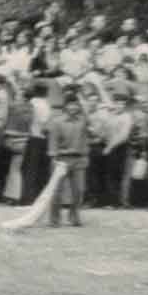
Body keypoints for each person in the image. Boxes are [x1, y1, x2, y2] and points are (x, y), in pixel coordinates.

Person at [46, 93, 89, 227]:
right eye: (70, 104)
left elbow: (85, 140)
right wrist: (53, 158)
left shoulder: (82, 121)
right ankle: (54, 219)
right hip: (61, 159)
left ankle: (74, 217)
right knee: (57, 190)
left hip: (78, 159)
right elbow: (52, 141)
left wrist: (85, 156)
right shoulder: (57, 121)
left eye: (75, 105)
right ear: (65, 106)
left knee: (79, 190)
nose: (73, 107)